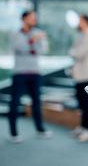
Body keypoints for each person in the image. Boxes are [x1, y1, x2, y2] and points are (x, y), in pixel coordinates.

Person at [8, 10, 52, 143]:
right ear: (24, 18)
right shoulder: (15, 33)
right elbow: (19, 47)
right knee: (15, 102)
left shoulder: (38, 32)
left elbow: (43, 50)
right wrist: (33, 41)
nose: (35, 20)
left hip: (35, 72)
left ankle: (40, 129)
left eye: (35, 18)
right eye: (32, 17)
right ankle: (13, 133)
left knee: (36, 102)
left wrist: (34, 43)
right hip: (19, 72)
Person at [69, 14, 88, 142]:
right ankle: (83, 127)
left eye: (80, 20)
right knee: (81, 103)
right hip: (78, 75)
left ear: (86, 22)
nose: (78, 23)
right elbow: (74, 52)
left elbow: (77, 53)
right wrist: (74, 52)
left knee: (87, 105)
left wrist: (73, 52)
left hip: (87, 75)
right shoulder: (80, 36)